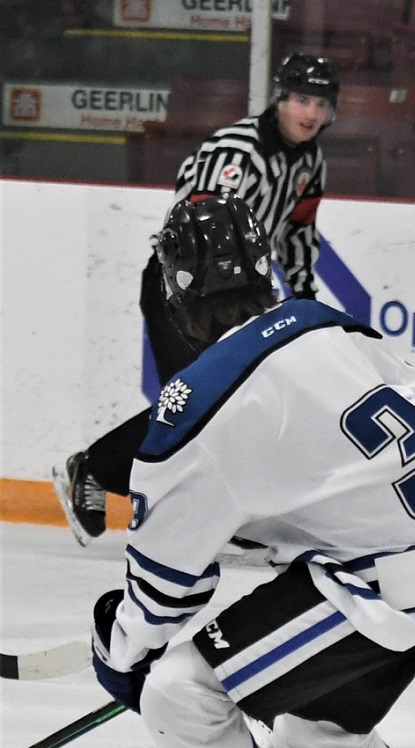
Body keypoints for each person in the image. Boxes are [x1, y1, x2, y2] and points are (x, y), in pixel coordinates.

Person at [89, 196, 415, 748]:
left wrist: (118, 648)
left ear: (175, 291)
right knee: (315, 727)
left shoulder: (198, 405)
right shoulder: (326, 323)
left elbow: (163, 593)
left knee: (182, 689)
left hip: (378, 583)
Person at [54, 53, 339, 546]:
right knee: (205, 401)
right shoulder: (237, 152)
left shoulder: (310, 160)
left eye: (320, 103)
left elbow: (297, 233)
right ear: (280, 98)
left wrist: (303, 303)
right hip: (183, 291)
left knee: (240, 402)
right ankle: (96, 468)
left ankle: (230, 511)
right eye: (300, 100)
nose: (309, 113)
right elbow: (194, 231)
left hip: (244, 296)